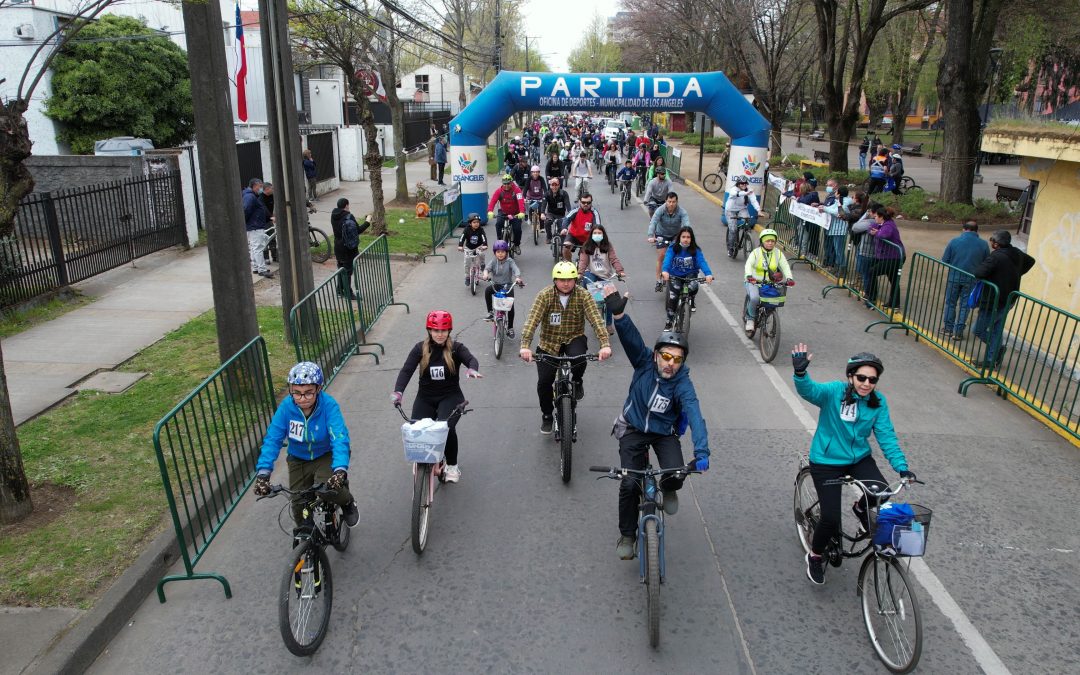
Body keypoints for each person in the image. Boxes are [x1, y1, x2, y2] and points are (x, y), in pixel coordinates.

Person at [598, 288, 710, 560]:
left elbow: (694, 413)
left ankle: (669, 489)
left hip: (663, 433)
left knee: (676, 474)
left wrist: (702, 452)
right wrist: (619, 314)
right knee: (628, 484)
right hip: (633, 429)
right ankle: (627, 535)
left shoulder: (682, 383)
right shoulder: (644, 362)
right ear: (657, 354)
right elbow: (631, 339)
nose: (670, 364)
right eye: (666, 357)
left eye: (677, 359)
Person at [790, 345, 915, 585]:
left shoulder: (878, 403)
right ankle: (815, 556)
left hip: (858, 457)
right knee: (830, 519)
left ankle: (860, 508)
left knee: (882, 492)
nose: (866, 384)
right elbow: (810, 392)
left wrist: (902, 467)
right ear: (850, 376)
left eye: (872, 379)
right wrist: (801, 374)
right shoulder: (834, 391)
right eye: (861, 378)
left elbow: (886, 435)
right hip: (826, 461)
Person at [253, 362, 359, 528]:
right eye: (297, 393)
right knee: (298, 506)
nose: (302, 399)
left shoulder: (328, 405)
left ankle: (347, 502)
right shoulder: (286, 408)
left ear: (318, 389)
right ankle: (309, 543)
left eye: (308, 393)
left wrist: (339, 469)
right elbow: (273, 439)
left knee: (327, 490)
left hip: (326, 454)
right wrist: (263, 474)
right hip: (298, 458)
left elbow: (339, 437)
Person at [519, 261, 612, 433]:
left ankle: (577, 380)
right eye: (562, 280)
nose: (566, 283)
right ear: (555, 280)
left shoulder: (583, 295)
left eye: (570, 279)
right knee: (544, 382)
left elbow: (596, 319)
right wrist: (525, 346)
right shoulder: (545, 295)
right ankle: (547, 415)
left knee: (580, 359)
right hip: (549, 342)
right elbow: (532, 321)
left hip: (573, 337)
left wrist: (604, 344)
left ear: (575, 280)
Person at [392, 311, 482, 483]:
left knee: (446, 429)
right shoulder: (420, 348)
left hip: (450, 396)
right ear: (429, 331)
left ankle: (453, 466)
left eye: (444, 330)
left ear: (449, 331)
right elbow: (406, 371)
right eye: (435, 330)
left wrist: (472, 369)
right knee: (417, 431)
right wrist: (398, 392)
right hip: (425, 398)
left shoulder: (456, 348)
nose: (440, 334)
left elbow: (471, 360)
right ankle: (428, 461)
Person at [973, 229, 1035, 367]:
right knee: (996, 329)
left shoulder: (995, 257)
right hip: (1009, 299)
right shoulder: (1017, 253)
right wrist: (1016, 273)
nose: (991, 243)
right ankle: (991, 360)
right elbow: (1031, 261)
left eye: (992, 240)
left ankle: (996, 351)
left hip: (993, 300)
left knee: (978, 329)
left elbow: (979, 272)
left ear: (996, 243)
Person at [940, 220, 990, 340]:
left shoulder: (954, 241)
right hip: (972, 279)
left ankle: (948, 328)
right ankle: (958, 332)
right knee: (965, 306)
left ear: (964, 229)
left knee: (950, 302)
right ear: (977, 230)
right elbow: (986, 263)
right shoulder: (983, 244)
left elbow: (945, 260)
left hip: (954, 277)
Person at [661, 225, 714, 329]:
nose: (686, 239)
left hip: (691, 275)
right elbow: (667, 260)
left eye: (688, 237)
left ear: (691, 239)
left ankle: (691, 299)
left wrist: (708, 274)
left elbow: (701, 262)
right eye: (683, 237)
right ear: (679, 238)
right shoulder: (673, 248)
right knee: (673, 297)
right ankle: (669, 321)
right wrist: (665, 271)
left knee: (694, 287)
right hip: (675, 275)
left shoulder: (695, 250)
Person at [578, 223, 626, 334]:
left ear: (603, 234)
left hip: (606, 276)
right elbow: (583, 262)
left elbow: (614, 259)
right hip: (592, 274)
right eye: (595, 233)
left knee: (610, 300)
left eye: (599, 233)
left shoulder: (607, 246)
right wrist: (580, 273)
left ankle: (608, 324)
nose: (597, 235)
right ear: (591, 234)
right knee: (588, 281)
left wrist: (620, 271)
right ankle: (588, 305)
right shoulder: (586, 246)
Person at [743, 228, 793, 331]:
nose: (770, 243)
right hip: (754, 282)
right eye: (767, 241)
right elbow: (749, 264)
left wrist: (789, 278)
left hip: (770, 283)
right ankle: (750, 319)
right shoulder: (756, 253)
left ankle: (772, 321)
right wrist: (749, 276)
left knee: (774, 301)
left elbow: (785, 266)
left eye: (772, 241)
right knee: (754, 298)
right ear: (762, 241)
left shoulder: (778, 253)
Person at [647, 190, 690, 291]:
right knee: (662, 255)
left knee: (679, 255)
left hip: (676, 235)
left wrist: (687, 237)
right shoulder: (660, 210)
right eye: (669, 201)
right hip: (662, 235)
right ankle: (658, 280)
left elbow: (686, 224)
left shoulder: (682, 212)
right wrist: (650, 235)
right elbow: (653, 222)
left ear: (677, 202)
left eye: (673, 202)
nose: (671, 204)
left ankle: (679, 277)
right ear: (666, 201)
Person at [866, 206, 905, 309]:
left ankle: (872, 297)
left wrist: (876, 232)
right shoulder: (881, 223)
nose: (875, 218)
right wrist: (873, 231)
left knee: (872, 272)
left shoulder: (889, 225)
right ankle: (894, 303)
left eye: (876, 216)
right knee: (893, 279)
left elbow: (884, 235)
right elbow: (870, 228)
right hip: (889, 256)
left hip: (893, 257)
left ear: (881, 217)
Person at [330, 198, 370, 298]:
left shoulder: (333, 215)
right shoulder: (349, 216)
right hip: (348, 248)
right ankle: (349, 293)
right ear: (346, 205)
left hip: (338, 246)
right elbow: (358, 230)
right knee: (347, 271)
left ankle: (339, 290)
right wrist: (367, 222)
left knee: (341, 269)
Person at [483, 241, 524, 335]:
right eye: (498, 252)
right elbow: (487, 269)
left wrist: (518, 277)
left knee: (510, 307)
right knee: (487, 290)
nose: (500, 254)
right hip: (496, 285)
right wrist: (485, 274)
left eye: (502, 252)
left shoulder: (510, 261)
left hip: (508, 286)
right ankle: (490, 312)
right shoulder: (494, 261)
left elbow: (515, 269)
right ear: (495, 253)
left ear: (506, 252)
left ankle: (510, 328)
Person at [242, 178, 273, 278]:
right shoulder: (250, 197)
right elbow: (246, 210)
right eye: (260, 187)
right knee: (258, 248)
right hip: (255, 226)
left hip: (253, 226)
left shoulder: (250, 195)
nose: (261, 189)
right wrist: (248, 222)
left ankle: (256, 268)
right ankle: (262, 270)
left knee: (254, 248)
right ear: (255, 186)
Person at [723, 176, 761, 256]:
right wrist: (746, 193)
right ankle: (730, 248)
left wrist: (759, 210)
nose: (743, 185)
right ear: (738, 184)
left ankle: (747, 237)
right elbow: (735, 194)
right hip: (730, 210)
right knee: (733, 229)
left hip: (742, 209)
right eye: (741, 183)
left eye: (745, 183)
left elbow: (754, 201)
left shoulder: (749, 190)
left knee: (747, 223)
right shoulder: (734, 189)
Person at [487, 174, 526, 250]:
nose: (506, 185)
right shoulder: (499, 191)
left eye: (508, 183)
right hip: (503, 212)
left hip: (516, 213)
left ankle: (517, 245)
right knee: (498, 224)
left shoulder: (517, 190)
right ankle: (499, 240)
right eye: (504, 183)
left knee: (517, 229)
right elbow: (493, 201)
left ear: (511, 182)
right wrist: (490, 211)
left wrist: (522, 212)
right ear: (502, 183)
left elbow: (521, 201)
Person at [559, 192, 601, 261]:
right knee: (565, 248)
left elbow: (597, 227)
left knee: (584, 256)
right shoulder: (575, 210)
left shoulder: (594, 213)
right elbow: (567, 219)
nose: (586, 204)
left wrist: (597, 238)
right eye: (583, 202)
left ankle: (582, 265)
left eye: (588, 202)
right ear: (579, 202)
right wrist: (564, 228)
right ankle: (570, 265)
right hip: (573, 236)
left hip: (587, 239)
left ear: (591, 202)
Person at [457, 213, 488, 285]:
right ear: (470, 223)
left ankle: (482, 264)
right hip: (469, 248)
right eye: (474, 222)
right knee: (467, 263)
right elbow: (462, 238)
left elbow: (484, 237)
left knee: (481, 254)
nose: (476, 224)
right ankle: (467, 277)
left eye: (477, 222)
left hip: (478, 246)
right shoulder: (467, 229)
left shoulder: (480, 229)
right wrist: (460, 246)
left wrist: (485, 245)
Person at [541, 176, 572, 243]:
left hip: (561, 215)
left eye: (556, 185)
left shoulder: (564, 193)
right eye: (552, 185)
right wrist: (542, 213)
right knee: (547, 222)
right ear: (550, 186)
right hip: (550, 214)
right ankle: (549, 237)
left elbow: (568, 205)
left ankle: (561, 247)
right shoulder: (547, 194)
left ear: (559, 185)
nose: (554, 187)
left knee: (563, 230)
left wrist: (570, 213)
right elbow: (544, 204)